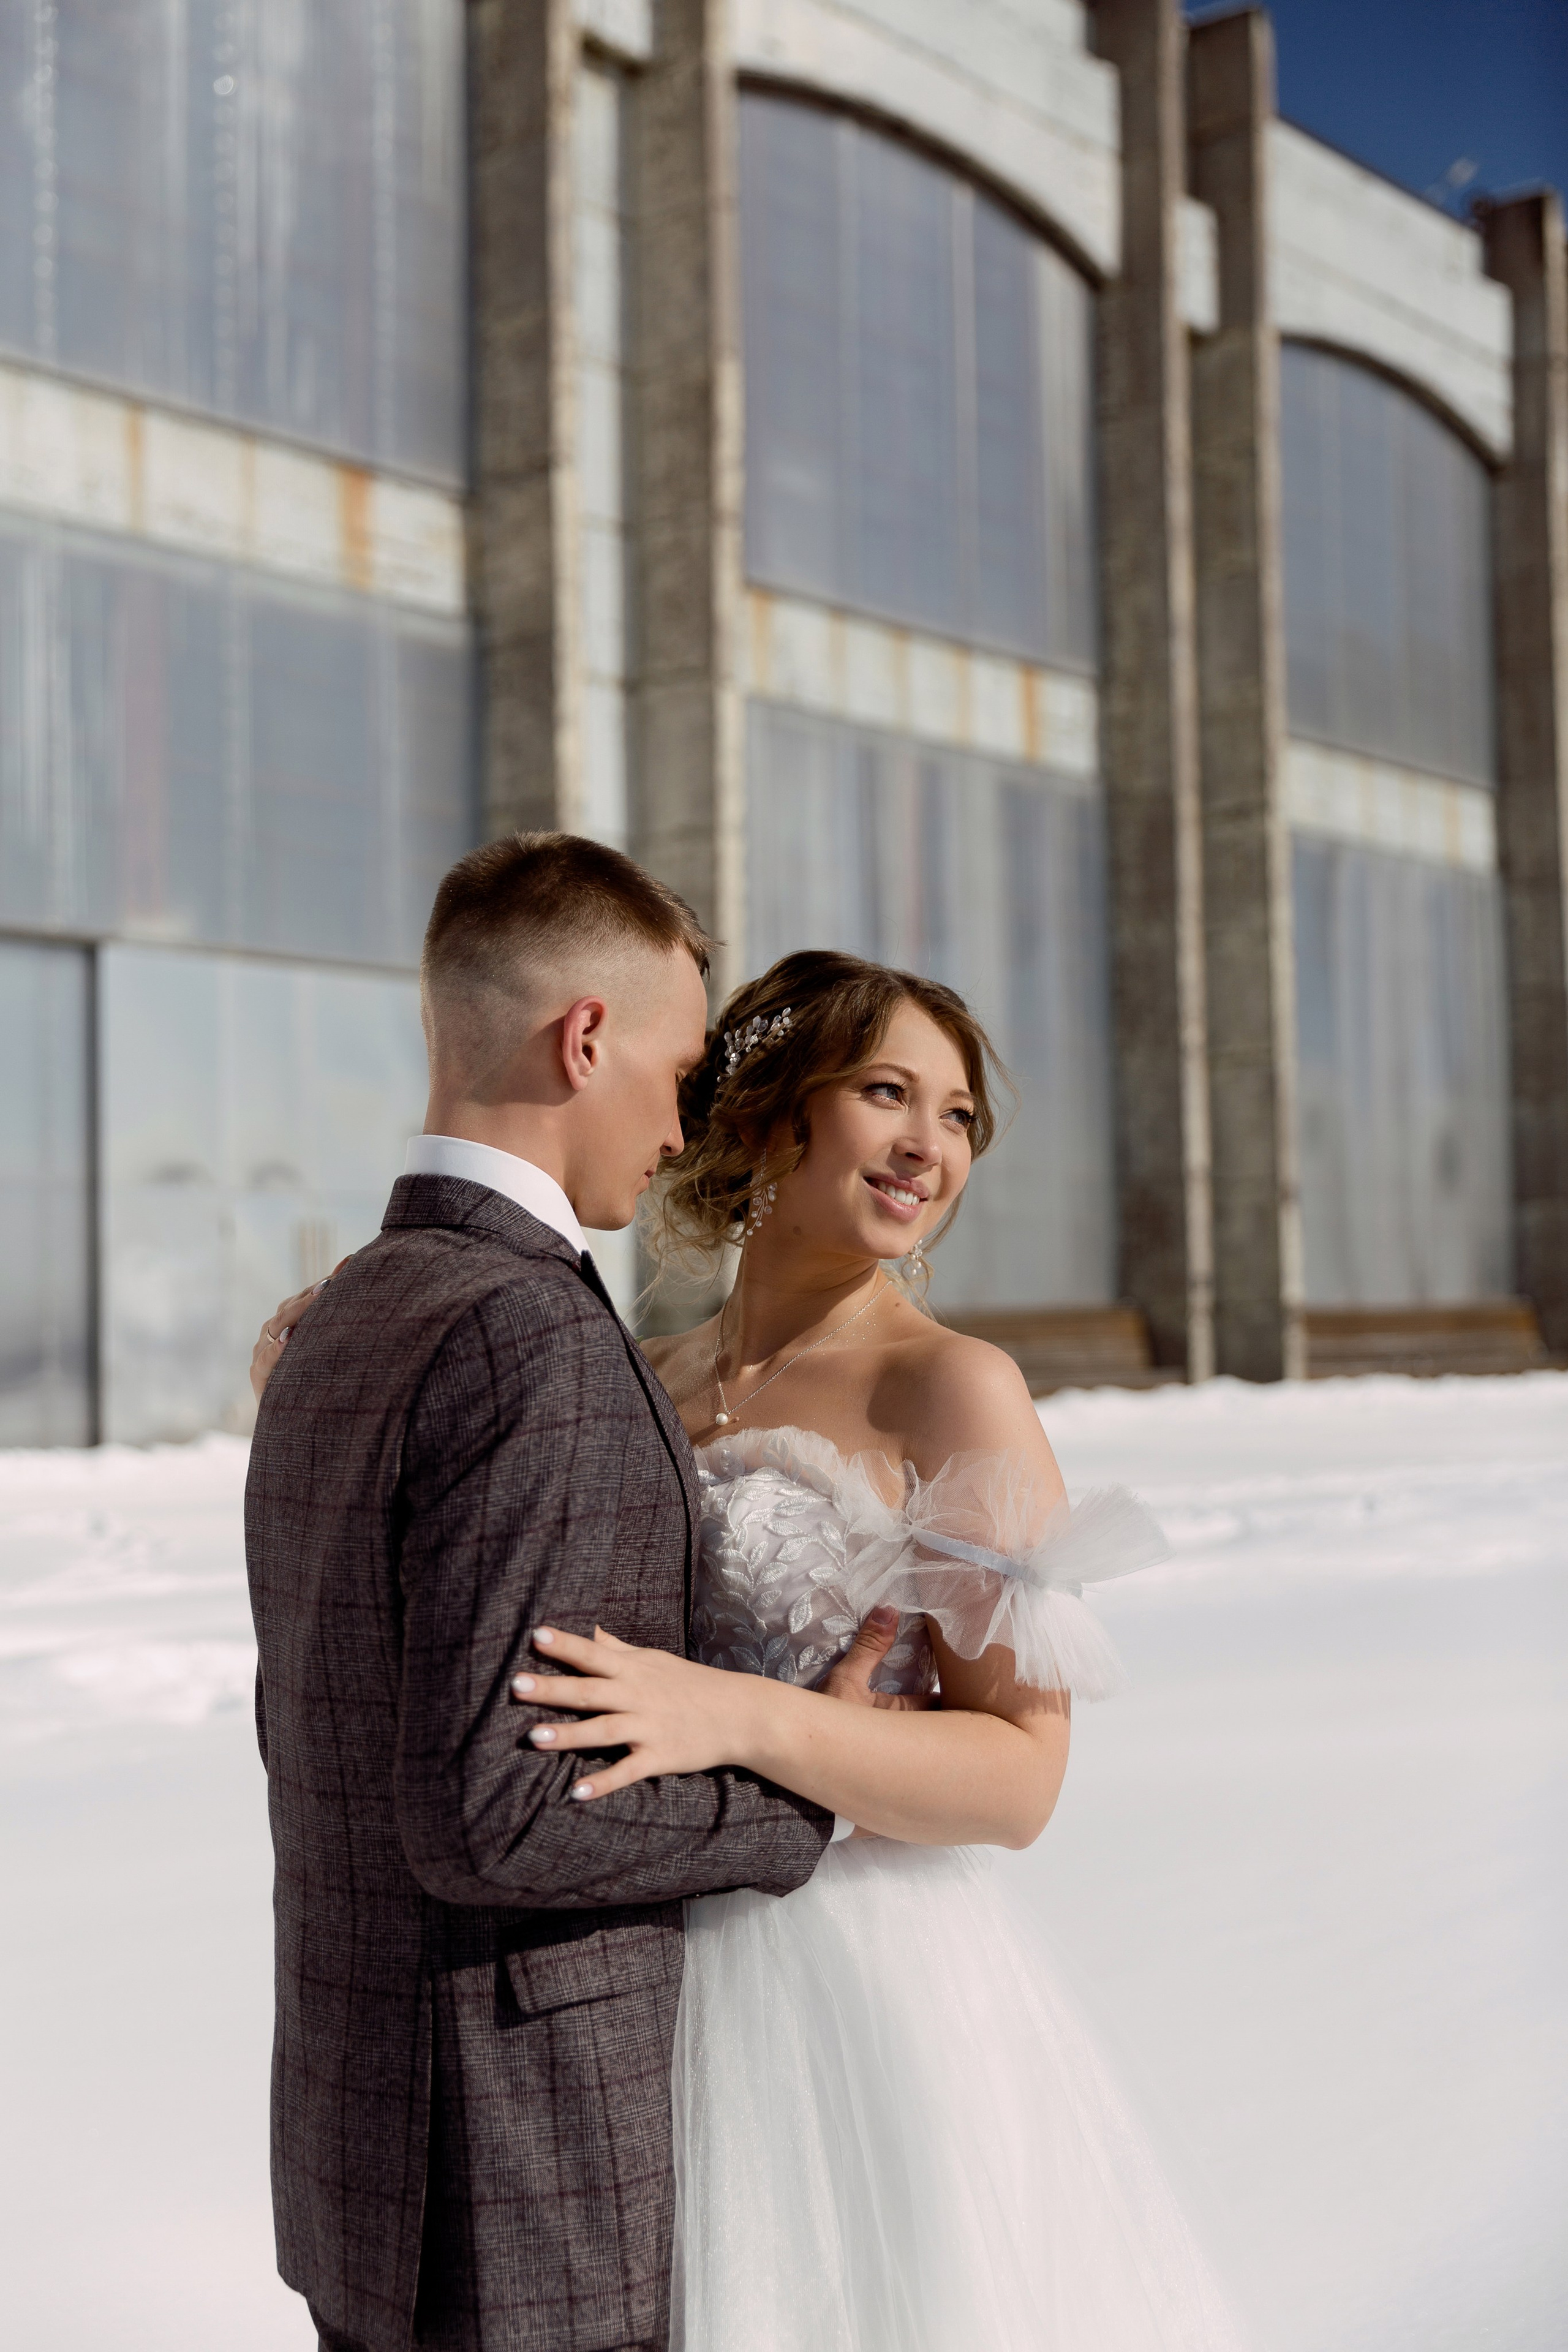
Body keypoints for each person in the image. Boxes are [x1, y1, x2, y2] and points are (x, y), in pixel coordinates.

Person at [257, 930, 1248, 2348]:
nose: (930, 1146)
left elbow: (1020, 1779)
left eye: (959, 1116)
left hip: (847, 1984)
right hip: (625, 1968)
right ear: (778, 1109)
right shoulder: (642, 1371)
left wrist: (744, 1719)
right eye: (889, 1094)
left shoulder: (952, 1389)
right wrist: (324, 1369)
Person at [246, 837, 898, 2352]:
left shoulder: (340, 1313)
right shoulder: (522, 1334)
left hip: (366, 2150)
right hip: (517, 2183)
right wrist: (809, 1792)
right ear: (583, 1040)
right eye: (675, 1074)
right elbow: (501, 1810)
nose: (680, 1131)